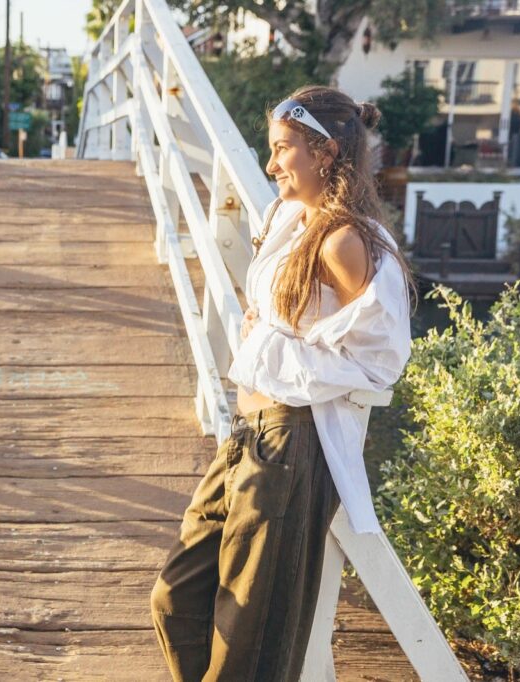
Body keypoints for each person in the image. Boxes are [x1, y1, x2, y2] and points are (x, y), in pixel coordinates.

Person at [149, 85, 418, 681]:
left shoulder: (345, 240)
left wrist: (283, 349)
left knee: (249, 636)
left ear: (323, 152)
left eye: (282, 149)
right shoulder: (294, 221)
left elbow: (380, 356)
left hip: (291, 445)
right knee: (176, 598)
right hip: (250, 434)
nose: (270, 164)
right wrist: (267, 328)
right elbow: (289, 315)